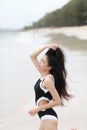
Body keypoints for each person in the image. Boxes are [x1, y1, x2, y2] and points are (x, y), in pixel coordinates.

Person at [28, 43, 71, 130]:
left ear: (50, 67)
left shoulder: (48, 80)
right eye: (41, 59)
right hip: (43, 117)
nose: (39, 62)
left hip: (48, 117)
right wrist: (45, 47)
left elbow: (57, 101)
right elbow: (32, 56)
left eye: (43, 62)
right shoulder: (43, 74)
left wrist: (37, 109)